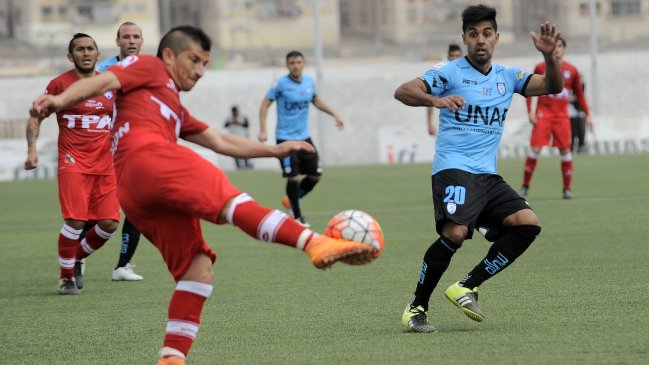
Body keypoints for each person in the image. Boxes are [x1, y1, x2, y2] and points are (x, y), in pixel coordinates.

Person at [30, 26, 379, 364]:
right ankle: (314, 242)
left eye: (205, 65)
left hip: (135, 192)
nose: (199, 71)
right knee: (231, 200)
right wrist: (59, 99)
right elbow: (104, 80)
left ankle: (171, 357)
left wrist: (274, 151)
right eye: (194, 60)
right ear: (169, 55)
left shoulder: (171, 105)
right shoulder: (150, 66)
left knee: (197, 272)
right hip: (148, 160)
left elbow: (221, 140)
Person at [394, 4, 564, 333]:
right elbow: (403, 91)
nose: (480, 40)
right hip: (454, 168)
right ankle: (416, 307)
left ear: (497, 38)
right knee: (455, 233)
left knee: (528, 225)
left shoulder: (508, 77)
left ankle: (467, 285)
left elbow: (552, 86)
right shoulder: (450, 72)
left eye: (486, 33)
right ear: (465, 38)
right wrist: (436, 100)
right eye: (473, 34)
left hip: (488, 176)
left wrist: (550, 57)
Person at [24, 33, 120, 295]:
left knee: (109, 224)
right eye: (80, 49)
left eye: (90, 48)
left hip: (105, 164)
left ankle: (75, 257)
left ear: (98, 54)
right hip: (73, 161)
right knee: (76, 221)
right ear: (71, 56)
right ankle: (66, 277)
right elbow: (36, 117)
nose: (86, 53)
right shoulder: (59, 84)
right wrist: (32, 150)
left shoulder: (111, 84)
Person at [258, 50, 344, 226]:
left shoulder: (309, 82)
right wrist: (263, 130)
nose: (295, 66)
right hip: (285, 139)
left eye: (298, 62)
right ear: (287, 65)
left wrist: (335, 114)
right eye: (292, 63)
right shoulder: (280, 84)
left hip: (304, 138)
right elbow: (265, 105)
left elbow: (316, 100)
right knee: (293, 178)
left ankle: (291, 200)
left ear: (303, 64)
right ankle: (297, 217)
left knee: (315, 175)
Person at [95, 21, 146, 281]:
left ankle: (122, 266)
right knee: (99, 214)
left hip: (135, 150)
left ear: (142, 41)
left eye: (136, 36)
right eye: (126, 37)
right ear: (118, 42)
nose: (131, 41)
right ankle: (76, 258)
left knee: (136, 207)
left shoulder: (148, 69)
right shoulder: (102, 70)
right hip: (104, 150)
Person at [519, 36, 593, 199]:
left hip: (561, 116)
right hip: (543, 114)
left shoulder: (572, 70)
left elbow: (580, 95)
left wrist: (588, 115)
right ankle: (524, 187)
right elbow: (529, 89)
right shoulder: (540, 67)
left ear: (564, 49)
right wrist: (529, 111)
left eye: (560, 46)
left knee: (565, 151)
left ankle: (567, 189)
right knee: (535, 149)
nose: (557, 49)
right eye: (555, 46)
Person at [426, 44, 463, 136]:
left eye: (457, 56)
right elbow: (431, 98)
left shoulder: (468, 74)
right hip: (448, 126)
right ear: (448, 57)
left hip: (467, 125)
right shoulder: (442, 76)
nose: (454, 58)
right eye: (452, 56)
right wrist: (430, 124)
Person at [224, 105, 253, 169]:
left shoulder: (243, 117)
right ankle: (238, 166)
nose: (234, 114)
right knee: (235, 152)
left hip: (243, 137)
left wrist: (239, 123)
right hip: (233, 138)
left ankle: (247, 165)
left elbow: (247, 125)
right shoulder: (229, 118)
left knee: (245, 152)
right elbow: (225, 125)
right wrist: (231, 122)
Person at [569, 74, 588, 153]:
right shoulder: (570, 86)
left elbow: (578, 97)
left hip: (580, 113)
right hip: (572, 114)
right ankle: (571, 149)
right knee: (572, 133)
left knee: (581, 132)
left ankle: (581, 149)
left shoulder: (581, 86)